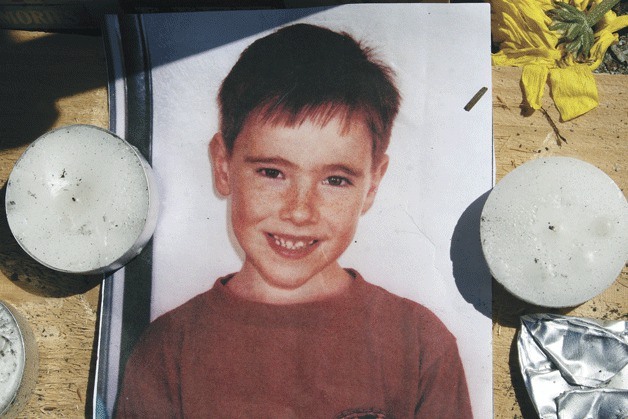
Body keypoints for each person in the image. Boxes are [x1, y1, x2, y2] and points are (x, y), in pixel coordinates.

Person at [115, 23, 472, 418]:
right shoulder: (167, 349)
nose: (300, 211)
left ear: (372, 184)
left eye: (335, 180)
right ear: (223, 165)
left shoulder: (420, 344)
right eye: (271, 172)